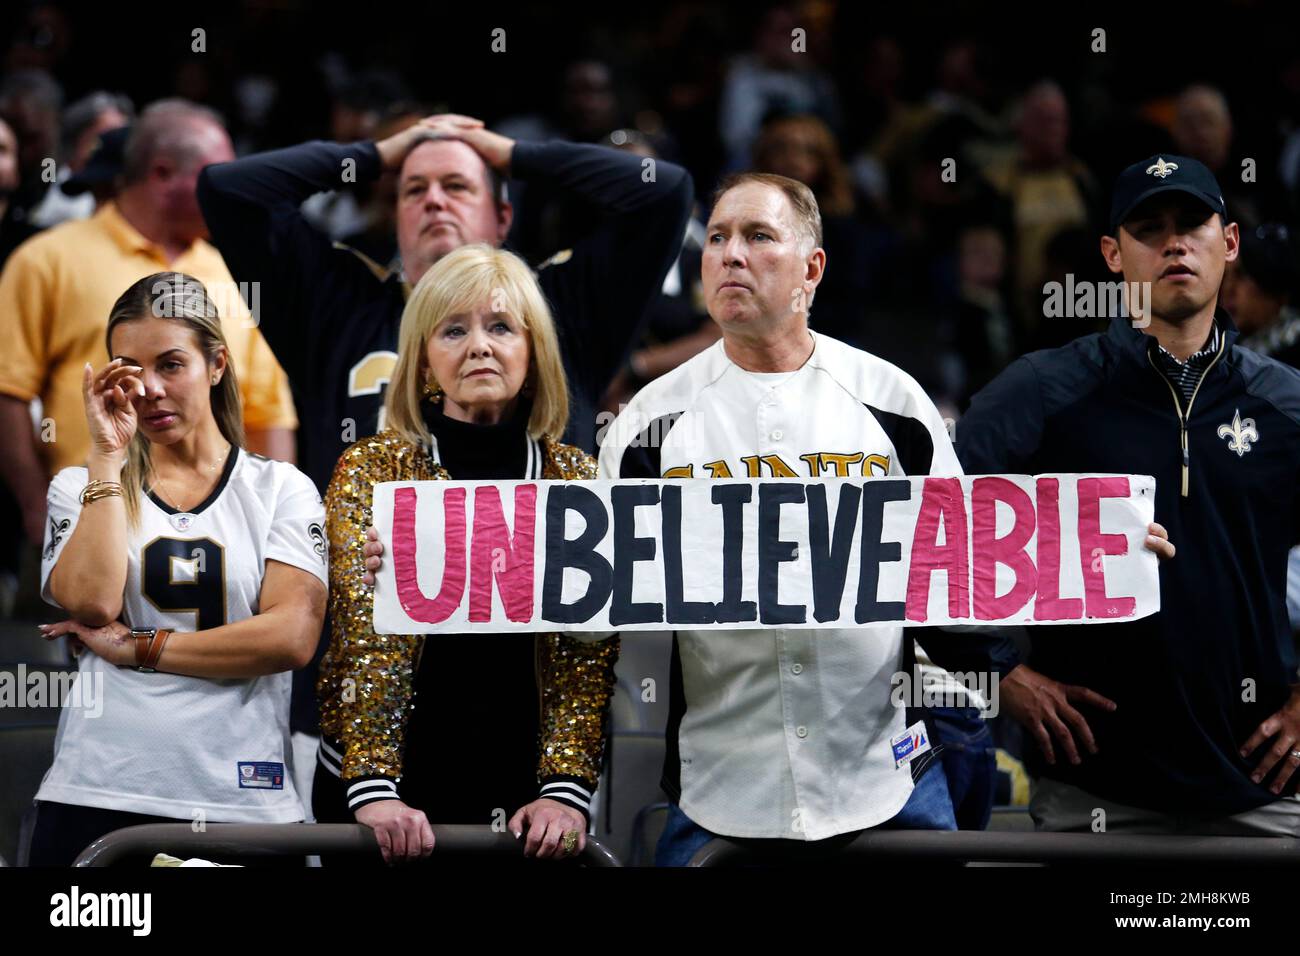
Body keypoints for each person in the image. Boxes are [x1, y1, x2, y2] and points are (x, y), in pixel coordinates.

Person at [197, 109, 689, 756]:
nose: (432, 199)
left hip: (532, 677)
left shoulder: (559, 306)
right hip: (357, 669)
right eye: (413, 188)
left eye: (457, 186)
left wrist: (513, 154)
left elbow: (664, 191)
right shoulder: (333, 301)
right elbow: (229, 189)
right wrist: (375, 155)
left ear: (503, 218)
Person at [597, 171, 1018, 865]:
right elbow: (588, 594)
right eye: (719, 238)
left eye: (759, 236)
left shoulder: (895, 402)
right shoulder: (648, 422)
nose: (730, 254)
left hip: (886, 779)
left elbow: (960, 583)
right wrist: (435, 556)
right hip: (719, 785)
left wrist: (1106, 551)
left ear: (812, 269)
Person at [958, 154, 1300, 836]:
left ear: (1228, 243)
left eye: (1192, 225)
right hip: (1094, 786)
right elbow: (932, 530)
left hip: (1267, 786)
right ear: (1114, 255)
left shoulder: (1287, 403)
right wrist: (1001, 673)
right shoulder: (1040, 391)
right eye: (1149, 229)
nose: (1174, 242)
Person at [313, 244, 619, 865]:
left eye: (501, 326)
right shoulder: (370, 470)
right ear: (425, 358)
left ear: (533, 355)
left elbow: (585, 659)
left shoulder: (576, 481)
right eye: (454, 329)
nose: (479, 345)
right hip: (383, 798)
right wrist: (372, 791)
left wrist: (566, 793)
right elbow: (359, 648)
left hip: (528, 809)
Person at [29, 273, 327, 866]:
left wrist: (139, 646)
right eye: (129, 370)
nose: (149, 390)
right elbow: (91, 601)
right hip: (98, 789)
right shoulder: (79, 483)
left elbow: (291, 637)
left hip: (246, 802)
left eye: (171, 364)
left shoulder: (281, 488)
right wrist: (107, 460)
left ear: (216, 364)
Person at [0, 99, 298, 557]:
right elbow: (8, 392)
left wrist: (278, 525)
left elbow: (266, 411)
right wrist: (35, 508)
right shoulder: (47, 259)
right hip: (87, 525)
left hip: (219, 541)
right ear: (161, 174)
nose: (236, 191)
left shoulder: (234, 270)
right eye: (219, 177)